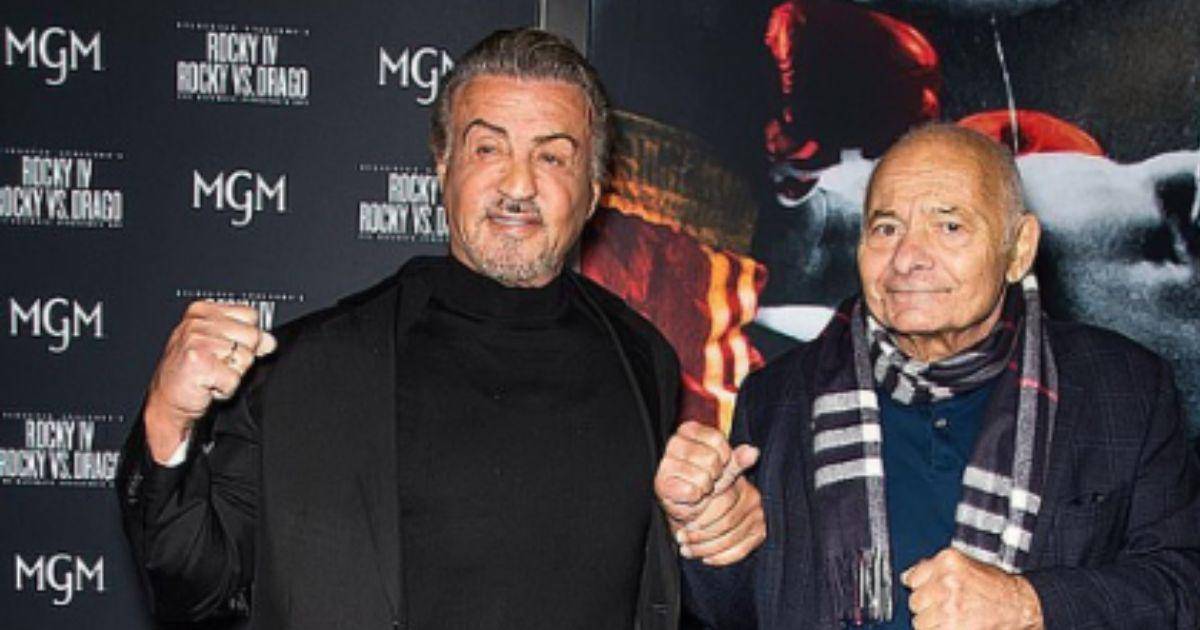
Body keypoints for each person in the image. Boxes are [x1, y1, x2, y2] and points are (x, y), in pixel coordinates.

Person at [117, 28, 760, 630]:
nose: (518, 185)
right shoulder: (312, 367)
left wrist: (718, 526)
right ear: (443, 167)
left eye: (552, 157)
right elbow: (197, 586)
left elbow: (674, 590)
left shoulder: (642, 359)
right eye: (488, 148)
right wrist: (168, 421)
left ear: (594, 190)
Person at [656, 123, 1200, 629]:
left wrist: (1029, 604)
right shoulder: (777, 398)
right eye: (886, 228)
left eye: (949, 226)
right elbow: (733, 613)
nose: (907, 257)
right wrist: (712, 532)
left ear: (1018, 250)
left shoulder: (1124, 388)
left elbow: (1183, 587)